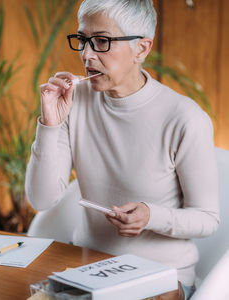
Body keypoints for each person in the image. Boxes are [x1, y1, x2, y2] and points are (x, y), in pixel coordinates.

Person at [25, 0, 219, 299]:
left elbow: (207, 218)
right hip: (88, 272)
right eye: (82, 40)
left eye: (102, 41)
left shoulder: (184, 118)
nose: (87, 54)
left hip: (161, 279)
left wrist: (150, 216)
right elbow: (42, 198)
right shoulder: (73, 101)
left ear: (141, 49)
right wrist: (50, 124)